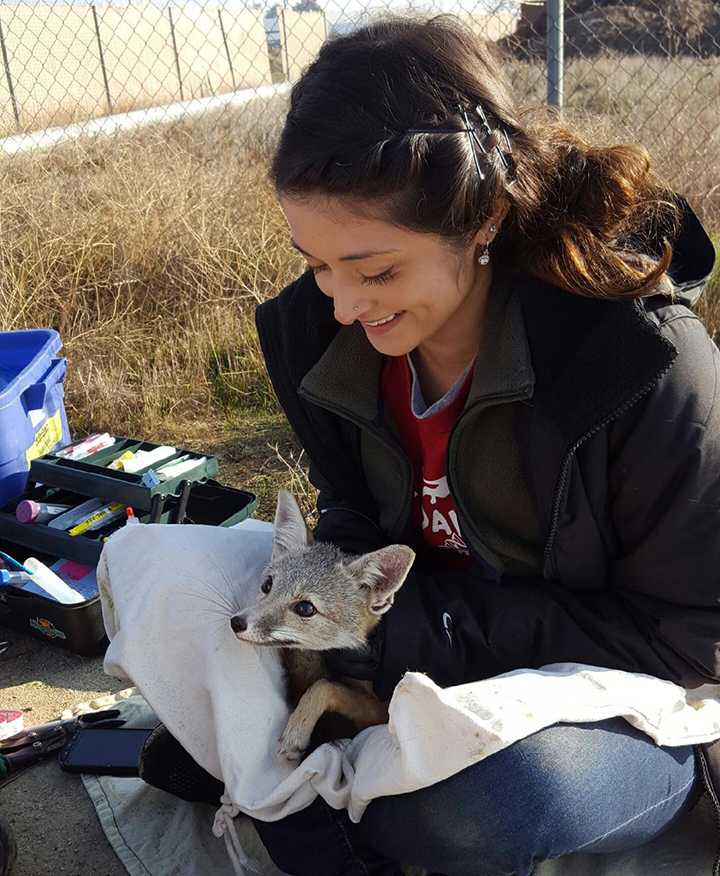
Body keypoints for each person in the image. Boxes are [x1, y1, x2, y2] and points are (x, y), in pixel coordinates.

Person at [140, 11, 720, 876]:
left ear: (482, 217)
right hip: (411, 644)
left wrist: (413, 632)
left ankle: (307, 792)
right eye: (317, 262)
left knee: (494, 802)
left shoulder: (642, 365)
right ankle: (313, 775)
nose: (340, 304)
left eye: (375, 271)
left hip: (605, 689)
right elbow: (352, 512)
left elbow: (691, 642)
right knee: (165, 580)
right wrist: (340, 600)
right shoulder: (319, 334)